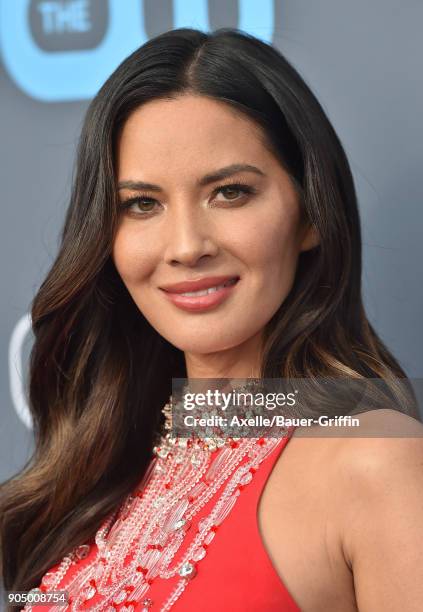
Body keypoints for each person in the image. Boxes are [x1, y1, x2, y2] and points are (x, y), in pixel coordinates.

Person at [1, 27, 422, 612]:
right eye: (142, 204)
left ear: (310, 213)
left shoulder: (378, 462)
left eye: (229, 193)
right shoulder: (98, 476)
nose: (185, 246)